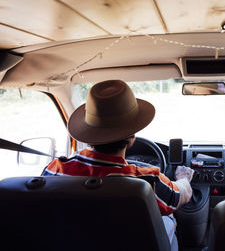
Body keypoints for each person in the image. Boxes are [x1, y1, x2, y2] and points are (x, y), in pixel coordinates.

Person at [42, 79, 194, 249]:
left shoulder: (54, 170)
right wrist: (184, 178)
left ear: (88, 134)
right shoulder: (147, 181)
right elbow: (182, 195)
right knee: (169, 218)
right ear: (132, 136)